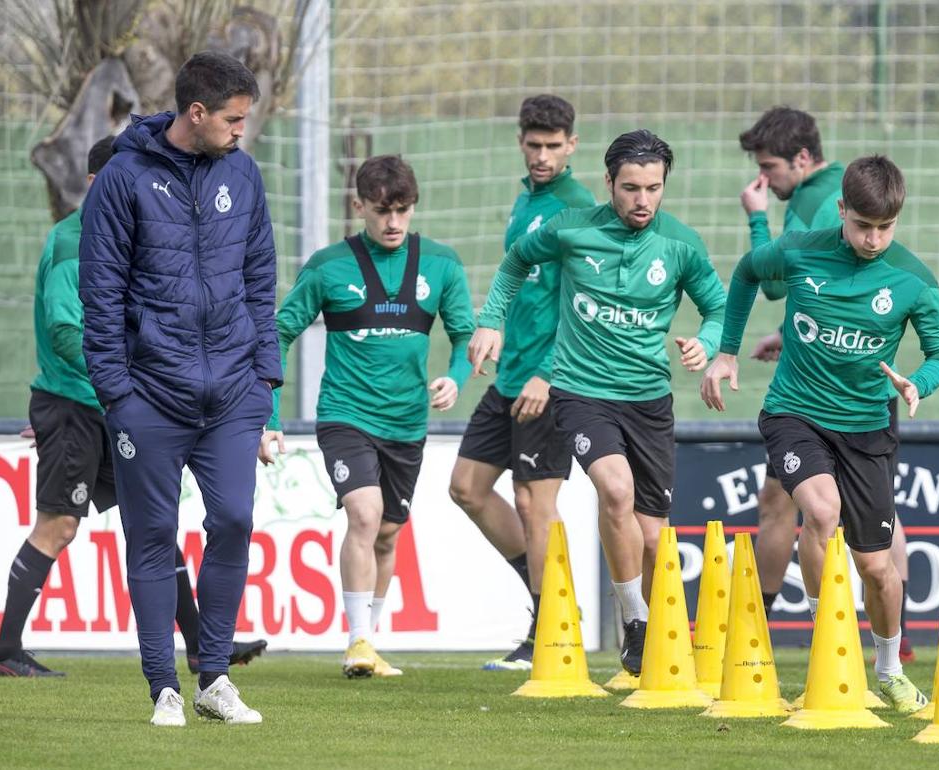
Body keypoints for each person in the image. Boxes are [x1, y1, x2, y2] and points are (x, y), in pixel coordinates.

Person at [0, 138, 266, 680]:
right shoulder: (74, 241)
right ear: (99, 183)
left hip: (114, 406)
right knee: (60, 524)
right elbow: (70, 333)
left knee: (154, 523)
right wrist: (116, 389)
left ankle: (206, 646)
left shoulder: (127, 239)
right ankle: (5, 650)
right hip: (78, 404)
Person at [701, 155, 939, 713]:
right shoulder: (800, 251)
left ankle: (887, 670)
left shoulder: (911, 278)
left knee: (878, 570)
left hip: (866, 429)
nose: (872, 238)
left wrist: (919, 383)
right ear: (841, 210)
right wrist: (725, 353)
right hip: (796, 413)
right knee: (819, 511)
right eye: (862, 225)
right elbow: (745, 272)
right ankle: (828, 643)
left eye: (884, 228)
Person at [469, 130, 726, 677]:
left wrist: (705, 343)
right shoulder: (572, 228)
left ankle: (661, 635)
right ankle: (634, 621)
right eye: (630, 187)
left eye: (653, 188)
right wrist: (490, 318)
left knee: (654, 537)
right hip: (582, 392)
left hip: (649, 400)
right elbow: (516, 262)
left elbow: (718, 309)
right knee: (615, 491)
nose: (642, 200)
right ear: (608, 182)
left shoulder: (680, 244)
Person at [80, 52, 280, 726]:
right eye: (233, 118)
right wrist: (117, 394)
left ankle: (214, 678)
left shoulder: (244, 175)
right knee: (153, 536)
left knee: (232, 522)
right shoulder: (122, 180)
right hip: (149, 398)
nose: (241, 130)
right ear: (196, 114)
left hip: (231, 397)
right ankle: (163, 686)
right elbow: (100, 295)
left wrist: (264, 385)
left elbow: (261, 282)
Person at [264, 154, 473, 680]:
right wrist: (269, 418)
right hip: (345, 415)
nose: (394, 222)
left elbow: (466, 334)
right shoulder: (328, 266)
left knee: (387, 533)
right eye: (382, 211)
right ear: (359, 206)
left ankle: (370, 641)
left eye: (403, 210)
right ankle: (357, 640)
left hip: (406, 424)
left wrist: (455, 377)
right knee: (363, 513)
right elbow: (278, 334)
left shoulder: (442, 264)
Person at [739, 108, 913, 660]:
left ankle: (769, 634)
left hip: (827, 397)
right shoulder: (838, 197)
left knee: (791, 506)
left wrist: (757, 216)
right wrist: (789, 334)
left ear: (804, 159)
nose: (766, 179)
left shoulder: (814, 203)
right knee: (837, 509)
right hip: (834, 384)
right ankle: (892, 641)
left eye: (770, 168)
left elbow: (768, 281)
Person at [448, 95, 595, 672]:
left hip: (552, 378)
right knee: (467, 487)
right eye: (533, 145)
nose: (541, 155)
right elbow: (525, 286)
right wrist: (497, 331)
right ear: (521, 142)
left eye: (553, 147)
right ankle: (547, 604)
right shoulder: (525, 201)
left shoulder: (579, 206)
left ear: (572, 146)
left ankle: (553, 630)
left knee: (536, 500)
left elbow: (586, 303)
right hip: (512, 374)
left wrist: (548, 372)